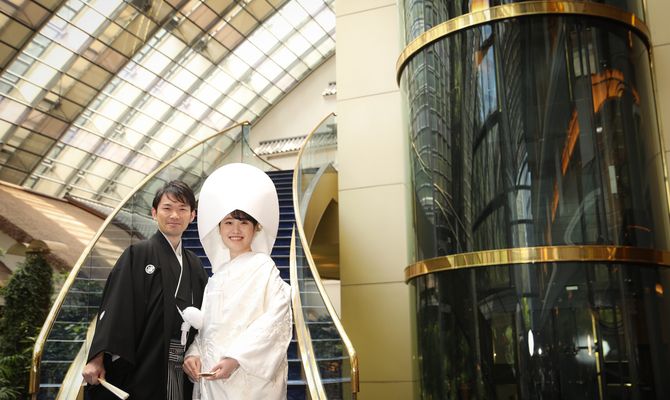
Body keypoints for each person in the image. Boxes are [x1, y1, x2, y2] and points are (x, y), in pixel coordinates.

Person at [82, 180, 209, 400]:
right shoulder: (137, 255)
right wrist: (97, 357)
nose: (174, 215)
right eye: (167, 208)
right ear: (154, 213)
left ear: (192, 216)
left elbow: (207, 312)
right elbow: (115, 307)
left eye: (182, 209)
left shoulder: (195, 264)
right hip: (145, 361)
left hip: (183, 362)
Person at [182, 163, 292, 400]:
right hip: (214, 376)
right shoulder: (216, 278)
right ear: (219, 228)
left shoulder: (264, 267)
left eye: (244, 222)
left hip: (248, 379)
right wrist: (194, 353)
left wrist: (236, 358)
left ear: (256, 228)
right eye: (228, 222)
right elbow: (208, 329)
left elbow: (275, 320)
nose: (236, 229)